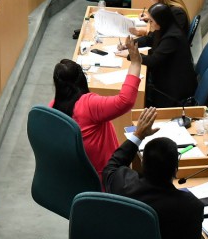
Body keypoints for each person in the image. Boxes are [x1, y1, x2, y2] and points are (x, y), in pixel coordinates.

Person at [103, 107, 204, 239]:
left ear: (143, 163)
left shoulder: (123, 185)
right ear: (175, 170)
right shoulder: (191, 207)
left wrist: (138, 135)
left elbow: (112, 165)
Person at [50, 36, 142, 180]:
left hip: (75, 178)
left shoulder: (53, 107)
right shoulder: (88, 104)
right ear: (82, 79)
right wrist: (135, 64)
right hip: (103, 179)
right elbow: (125, 101)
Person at [118, 3, 197, 107]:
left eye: (151, 21)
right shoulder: (165, 27)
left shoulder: (172, 37)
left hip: (174, 88)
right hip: (167, 75)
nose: (150, 24)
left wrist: (131, 55)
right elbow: (149, 39)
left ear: (160, 21)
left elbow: (153, 61)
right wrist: (128, 45)